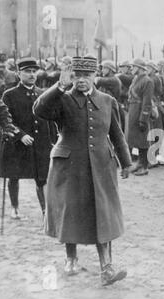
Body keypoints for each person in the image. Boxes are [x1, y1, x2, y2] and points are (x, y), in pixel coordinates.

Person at [33, 55, 132, 286]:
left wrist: (126, 162)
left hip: (101, 167)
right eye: (77, 75)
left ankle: (106, 267)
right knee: (71, 212)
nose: (82, 80)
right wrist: (59, 86)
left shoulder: (107, 101)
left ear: (95, 76)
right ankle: (71, 259)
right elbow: (39, 110)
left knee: (103, 214)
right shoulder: (62, 99)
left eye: (87, 75)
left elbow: (116, 134)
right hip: (69, 167)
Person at [0, 57, 57, 220]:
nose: (32, 75)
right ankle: (14, 207)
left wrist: (54, 140)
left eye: (34, 71)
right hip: (17, 142)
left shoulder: (42, 94)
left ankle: (45, 210)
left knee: (41, 177)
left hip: (39, 143)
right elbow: (6, 119)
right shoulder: (10, 95)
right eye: (27, 72)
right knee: (14, 176)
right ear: (18, 74)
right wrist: (20, 135)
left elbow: (49, 119)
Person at [127, 58, 154, 176]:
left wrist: (143, 118)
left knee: (143, 139)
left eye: (133, 66)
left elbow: (147, 101)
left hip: (140, 111)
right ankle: (139, 163)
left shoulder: (147, 81)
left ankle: (144, 166)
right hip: (133, 110)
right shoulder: (136, 79)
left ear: (139, 68)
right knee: (135, 138)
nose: (131, 68)